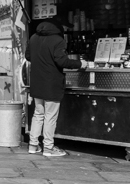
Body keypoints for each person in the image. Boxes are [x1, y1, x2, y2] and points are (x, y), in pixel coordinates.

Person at [25, 19, 89, 157]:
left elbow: (28, 56)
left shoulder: (33, 37)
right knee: (50, 116)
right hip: (51, 83)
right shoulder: (58, 40)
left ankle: (33, 145)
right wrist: (80, 64)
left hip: (37, 82)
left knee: (38, 114)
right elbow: (61, 61)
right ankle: (48, 148)